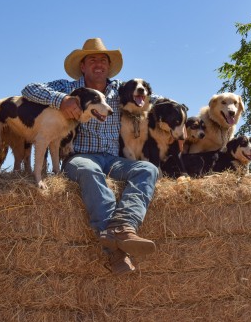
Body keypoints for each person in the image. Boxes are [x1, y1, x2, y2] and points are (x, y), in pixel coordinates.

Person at [21, 38, 159, 275]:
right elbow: (29, 89)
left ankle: (124, 226)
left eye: (103, 60)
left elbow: (153, 99)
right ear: (82, 66)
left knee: (148, 170)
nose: (98, 64)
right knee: (88, 170)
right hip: (80, 156)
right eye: (92, 59)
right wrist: (62, 100)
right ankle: (115, 252)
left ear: (109, 66)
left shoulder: (121, 90)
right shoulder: (68, 88)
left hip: (114, 159)